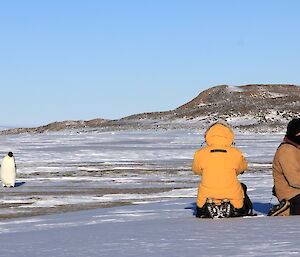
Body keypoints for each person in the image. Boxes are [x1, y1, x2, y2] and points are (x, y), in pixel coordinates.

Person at [192, 122, 253, 218]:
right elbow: (243, 167)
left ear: (208, 136)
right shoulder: (236, 153)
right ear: (229, 136)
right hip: (233, 197)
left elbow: (196, 170)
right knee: (242, 188)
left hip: (205, 197)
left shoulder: (200, 154)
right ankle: (233, 207)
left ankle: (209, 207)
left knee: (203, 192)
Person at [270, 118, 300, 216]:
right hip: (291, 193)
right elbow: (295, 180)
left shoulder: (295, 148)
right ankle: (286, 209)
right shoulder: (287, 150)